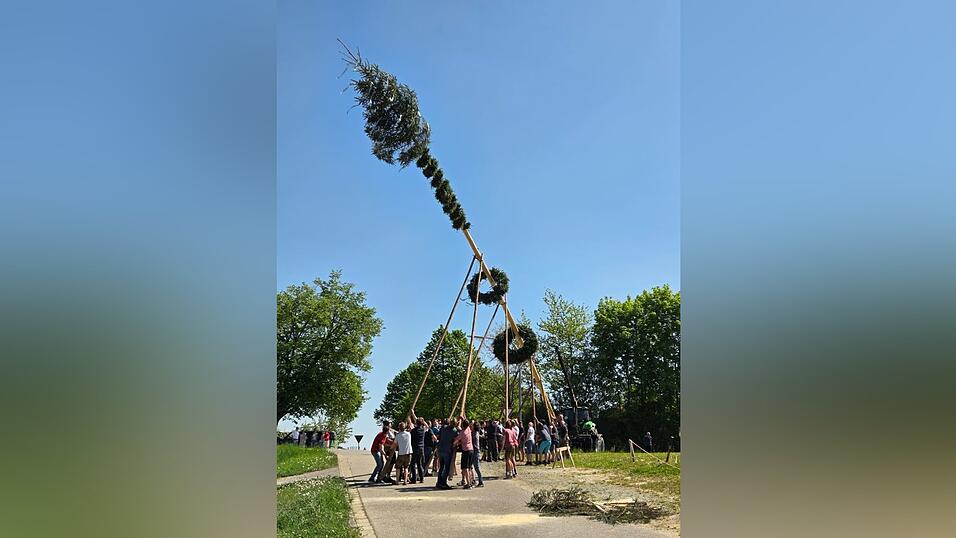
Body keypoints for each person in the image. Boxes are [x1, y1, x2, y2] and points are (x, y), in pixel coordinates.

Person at [435, 418, 457, 490]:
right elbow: (455, 440)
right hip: (447, 451)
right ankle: (443, 483)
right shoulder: (454, 431)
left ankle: (439, 482)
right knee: (446, 468)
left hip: (441, 449)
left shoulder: (443, 428)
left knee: (441, 467)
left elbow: (439, 436)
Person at [454, 418, 475, 489]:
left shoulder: (462, 433)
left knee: (465, 468)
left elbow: (456, 441)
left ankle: (468, 484)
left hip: (466, 451)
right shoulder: (468, 429)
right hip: (471, 450)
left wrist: (453, 445)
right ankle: (471, 481)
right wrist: (462, 418)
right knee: (469, 467)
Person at [409, 417, 426, 483]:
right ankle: (421, 478)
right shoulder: (423, 430)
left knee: (413, 464)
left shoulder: (413, 431)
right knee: (419, 464)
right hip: (421, 448)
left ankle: (414, 479)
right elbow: (426, 425)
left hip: (415, 448)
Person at [469, 418, 484, 487]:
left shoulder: (473, 433)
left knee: (476, 467)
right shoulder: (476, 432)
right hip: (475, 451)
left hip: (475, 452)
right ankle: (474, 480)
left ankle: (480, 481)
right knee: (472, 467)